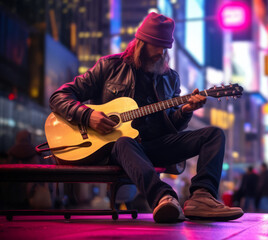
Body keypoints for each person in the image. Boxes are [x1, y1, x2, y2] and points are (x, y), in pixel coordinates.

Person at [49, 12, 243, 223]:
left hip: (157, 146)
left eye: (165, 47)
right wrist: (88, 116)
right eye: (157, 44)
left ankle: (202, 197)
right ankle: (163, 198)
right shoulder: (110, 67)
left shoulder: (170, 78)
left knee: (214, 135)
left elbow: (172, 126)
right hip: (118, 148)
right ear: (142, 42)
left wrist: (186, 110)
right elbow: (59, 96)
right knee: (124, 142)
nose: (161, 52)